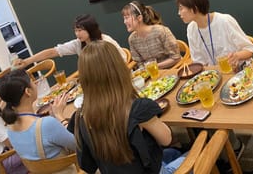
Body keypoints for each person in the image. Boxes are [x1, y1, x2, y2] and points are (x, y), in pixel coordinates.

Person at [68, 40, 186, 174]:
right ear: (118, 68)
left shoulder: (80, 116)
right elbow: (166, 139)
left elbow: (88, 166)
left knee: (173, 153)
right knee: (193, 149)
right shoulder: (135, 108)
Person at [0, 69, 76, 162]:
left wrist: (53, 117)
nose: (35, 85)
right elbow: (79, 145)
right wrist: (60, 116)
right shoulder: (46, 124)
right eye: (33, 82)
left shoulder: (10, 129)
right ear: (27, 91)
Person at [176, 0, 253, 70]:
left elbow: (250, 49)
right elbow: (198, 61)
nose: (179, 13)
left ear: (194, 8)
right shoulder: (191, 28)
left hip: (240, 71)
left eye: (181, 8)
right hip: (216, 74)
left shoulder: (224, 20)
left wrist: (237, 56)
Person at [16, 14, 126, 68]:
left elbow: (123, 62)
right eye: (75, 30)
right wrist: (27, 61)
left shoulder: (105, 41)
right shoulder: (78, 44)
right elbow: (53, 52)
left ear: (90, 28)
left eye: (80, 30)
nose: (77, 34)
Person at [122, 1, 181, 69]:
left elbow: (176, 58)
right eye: (124, 18)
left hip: (172, 70)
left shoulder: (161, 31)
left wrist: (154, 67)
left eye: (127, 18)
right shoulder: (132, 39)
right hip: (151, 75)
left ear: (139, 18)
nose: (125, 22)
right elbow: (139, 63)